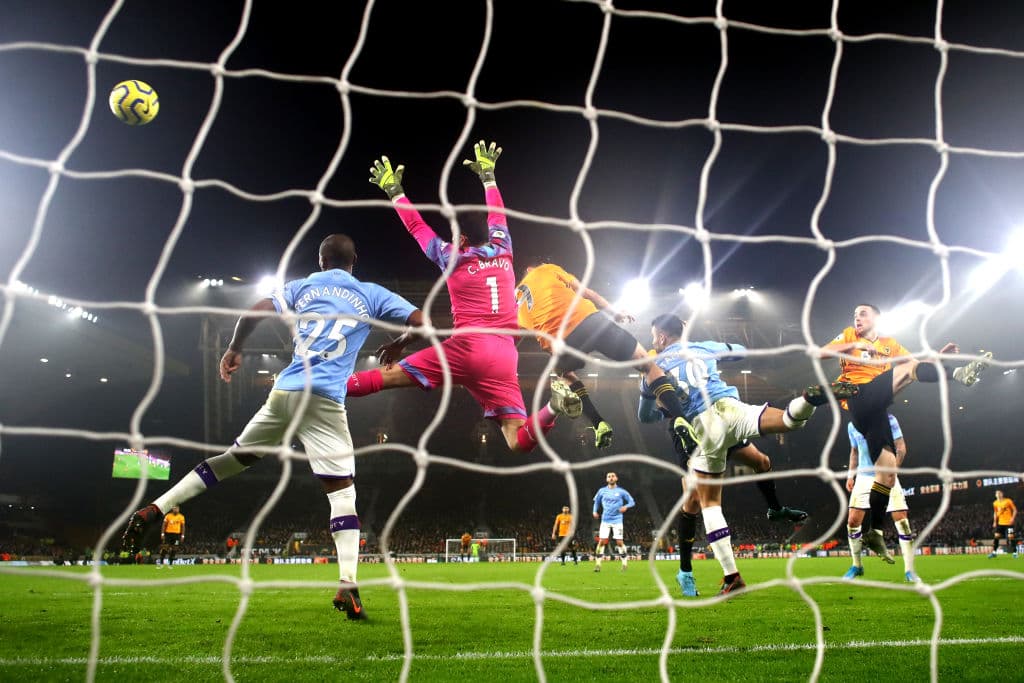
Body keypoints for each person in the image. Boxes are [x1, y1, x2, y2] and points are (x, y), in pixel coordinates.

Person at [120, 234, 422, 620]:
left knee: (230, 461)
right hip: (325, 399)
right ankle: (348, 584)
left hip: (285, 391)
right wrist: (400, 343)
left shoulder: (302, 287)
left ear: (321, 260)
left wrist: (234, 348)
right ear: (354, 261)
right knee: (342, 493)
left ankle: (156, 508)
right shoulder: (372, 293)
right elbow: (422, 323)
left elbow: (253, 313)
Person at [346, 141, 581, 453]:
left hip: (467, 349)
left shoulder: (452, 256)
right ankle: (552, 407)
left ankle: (317, 385)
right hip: (503, 357)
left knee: (386, 377)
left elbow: (417, 227)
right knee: (517, 440)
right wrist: (488, 177)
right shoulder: (504, 248)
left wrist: (395, 191)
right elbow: (497, 215)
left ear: (464, 238)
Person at [640, 313, 857, 596]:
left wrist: (665, 407)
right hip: (731, 406)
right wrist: (723, 351)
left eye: (653, 336)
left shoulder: (651, 367)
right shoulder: (704, 347)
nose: (652, 342)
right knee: (787, 421)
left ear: (660, 336)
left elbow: (644, 417)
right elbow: (741, 351)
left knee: (709, 503)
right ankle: (807, 400)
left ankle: (732, 576)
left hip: (700, 426)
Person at [822, 303, 990, 558]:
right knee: (907, 372)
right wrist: (854, 346)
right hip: (857, 396)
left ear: (877, 318)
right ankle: (958, 374)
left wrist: (938, 357)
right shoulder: (849, 335)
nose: (857, 317)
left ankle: (875, 532)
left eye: (863, 313)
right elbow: (821, 353)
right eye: (854, 314)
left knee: (887, 473)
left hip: (875, 412)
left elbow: (917, 365)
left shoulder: (890, 344)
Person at [515, 261, 692, 449]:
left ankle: (598, 422)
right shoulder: (546, 269)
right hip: (589, 320)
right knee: (647, 364)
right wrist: (615, 313)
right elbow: (589, 293)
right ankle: (680, 417)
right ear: (530, 269)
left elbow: (513, 336)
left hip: (560, 343)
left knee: (564, 375)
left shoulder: (514, 302)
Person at [843, 416, 922, 583]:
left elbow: (901, 447)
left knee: (902, 520)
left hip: (886, 474)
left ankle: (910, 570)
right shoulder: (852, 425)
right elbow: (854, 452)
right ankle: (857, 565)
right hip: (863, 477)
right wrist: (850, 475)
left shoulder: (889, 419)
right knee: (852, 521)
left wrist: (893, 470)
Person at [592, 472, 635, 572]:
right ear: (606, 479)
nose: (611, 478)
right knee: (601, 541)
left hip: (617, 520)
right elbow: (596, 502)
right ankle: (598, 565)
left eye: (613, 476)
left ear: (616, 478)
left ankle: (624, 564)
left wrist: (626, 506)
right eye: (609, 476)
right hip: (605, 520)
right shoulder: (602, 491)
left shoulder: (621, 491)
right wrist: (594, 511)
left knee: (619, 542)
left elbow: (632, 502)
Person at [990, 490, 1017, 558]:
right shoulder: (995, 503)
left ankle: (1015, 552)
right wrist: (994, 521)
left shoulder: (1008, 501)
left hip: (1009, 523)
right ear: (995, 495)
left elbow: (1015, 510)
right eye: (997, 494)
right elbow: (995, 513)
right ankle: (994, 552)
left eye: (999, 493)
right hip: (1000, 523)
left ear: (1002, 494)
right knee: (996, 537)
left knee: (1011, 537)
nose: (998, 495)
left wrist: (1012, 518)